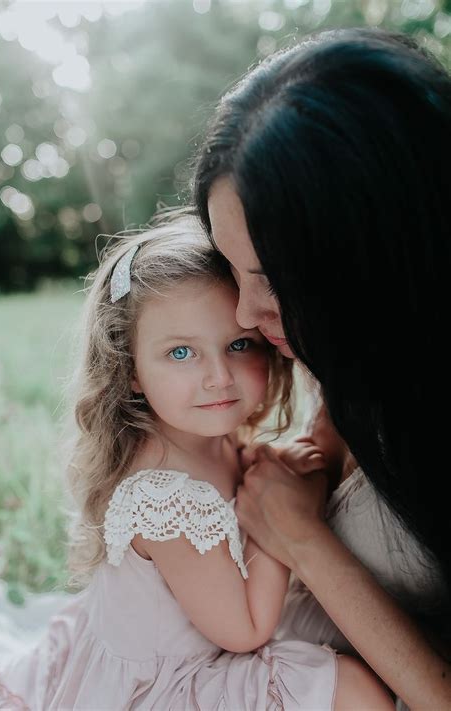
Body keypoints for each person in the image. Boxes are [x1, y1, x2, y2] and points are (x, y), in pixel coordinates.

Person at [0, 210, 395, 710]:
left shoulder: (202, 435)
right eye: (181, 353)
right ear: (129, 369)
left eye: (239, 345)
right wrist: (282, 518)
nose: (219, 375)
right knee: (348, 687)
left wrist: (272, 470)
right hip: (159, 687)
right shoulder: (164, 496)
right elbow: (246, 630)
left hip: (187, 649)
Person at [193, 26, 451, 709]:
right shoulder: (358, 359)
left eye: (274, 279)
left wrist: (305, 541)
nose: (246, 313)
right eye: (234, 272)